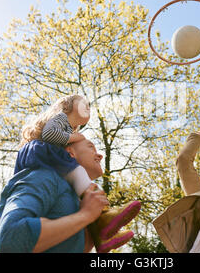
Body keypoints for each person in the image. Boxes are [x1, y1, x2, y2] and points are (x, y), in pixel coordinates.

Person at [18, 94, 140, 252]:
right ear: (67, 107)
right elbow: (49, 135)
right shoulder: (60, 119)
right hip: (41, 155)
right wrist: (75, 136)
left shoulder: (67, 129)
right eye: (83, 104)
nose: (87, 108)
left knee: (82, 188)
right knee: (78, 173)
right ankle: (104, 215)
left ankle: (102, 234)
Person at [0, 138, 136, 253]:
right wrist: (86, 215)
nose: (100, 155)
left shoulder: (78, 199)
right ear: (70, 153)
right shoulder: (43, 177)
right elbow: (10, 239)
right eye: (91, 147)